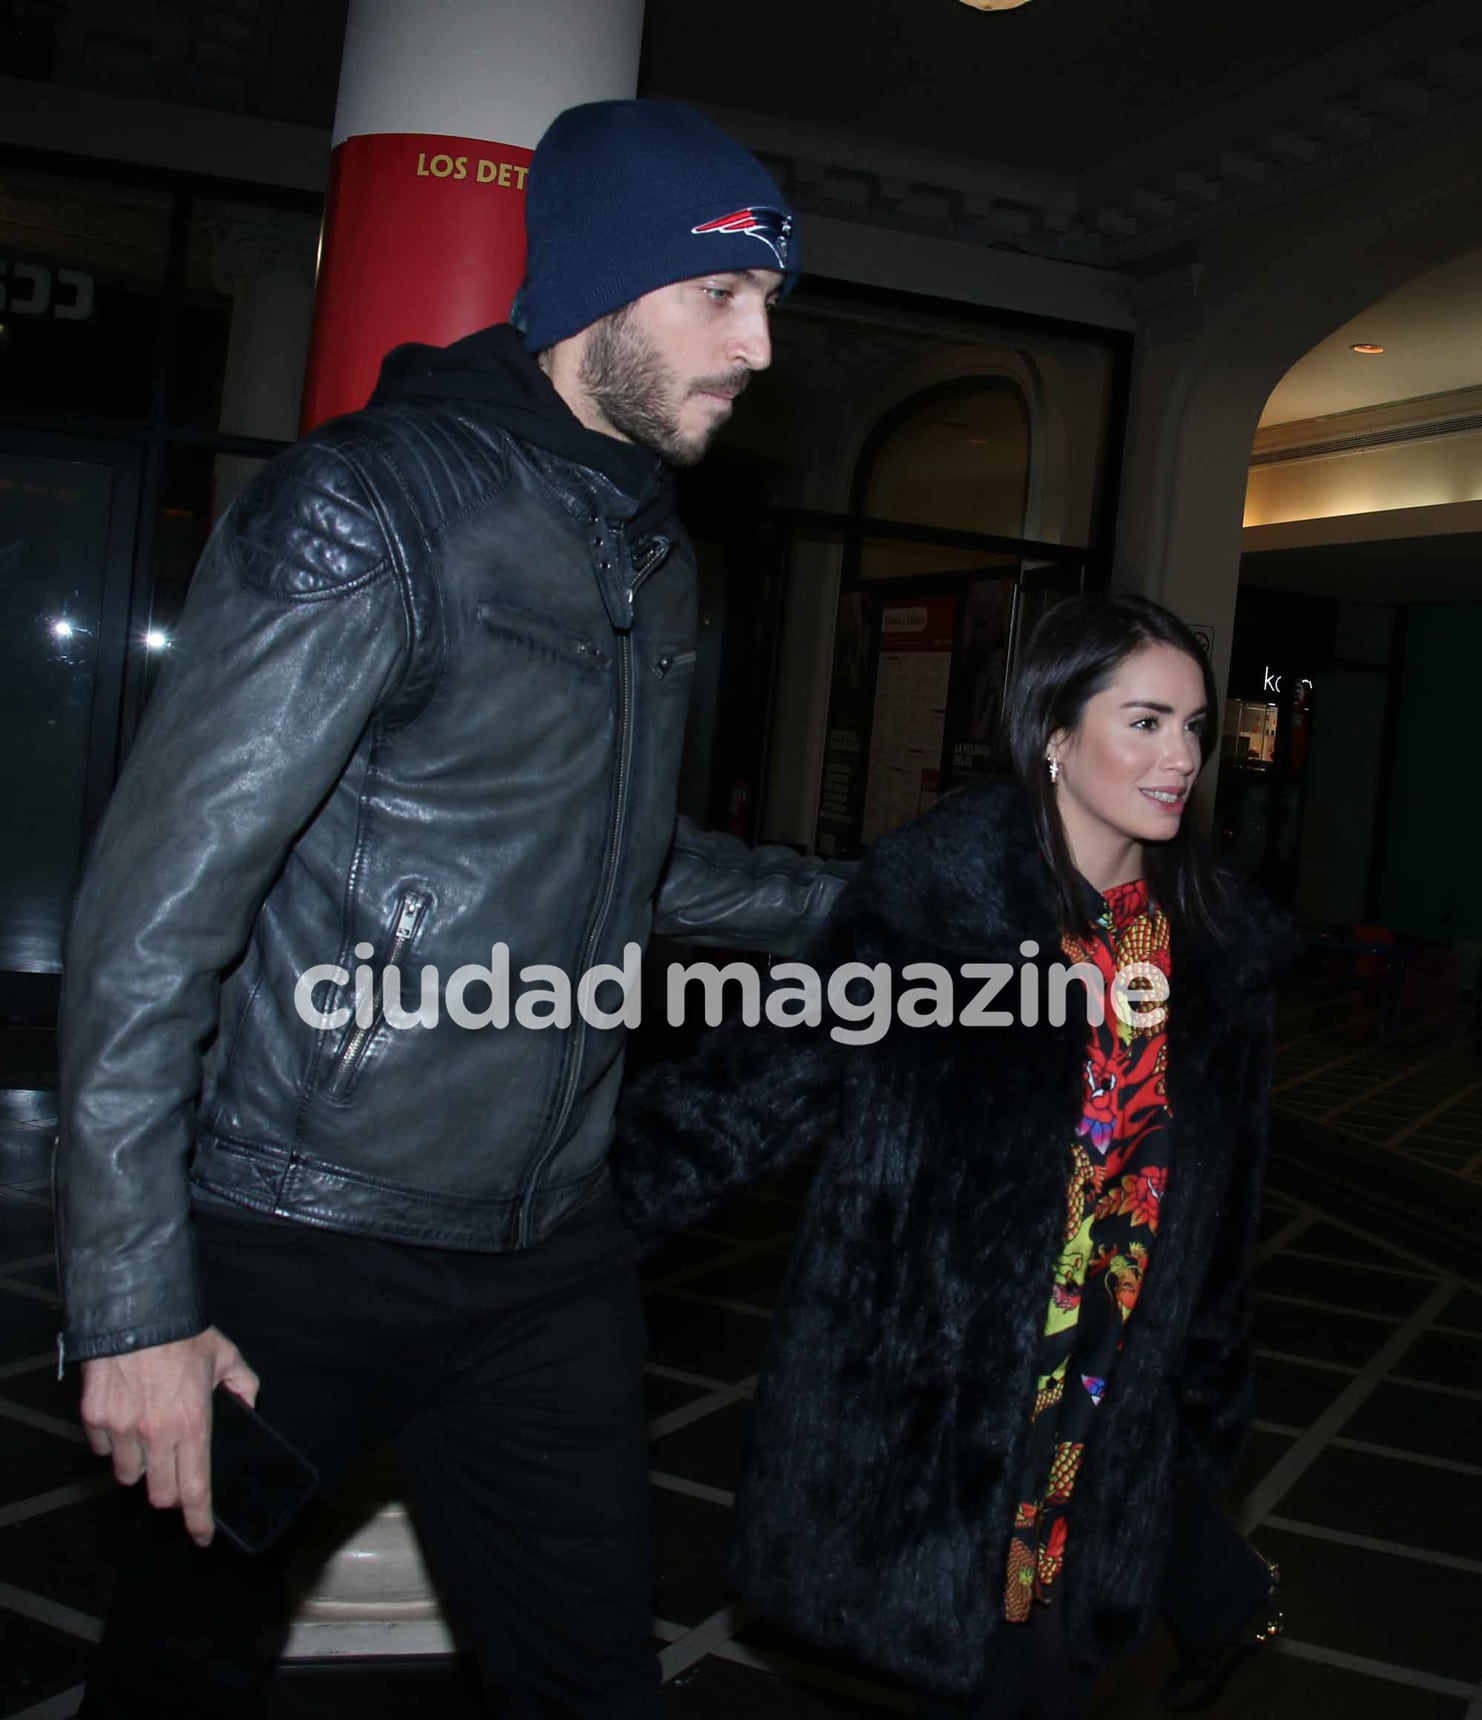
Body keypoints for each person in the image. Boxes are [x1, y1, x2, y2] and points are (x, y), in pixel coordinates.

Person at [56, 99, 847, 1719]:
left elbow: (628, 858)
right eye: (721, 295)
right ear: (599, 293)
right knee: (178, 1680)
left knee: (590, 1682)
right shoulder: (372, 509)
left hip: (546, 1250)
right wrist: (134, 1301)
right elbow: (154, 916)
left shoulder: (645, 552)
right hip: (302, 1236)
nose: (758, 343)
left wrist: (886, 907)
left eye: (769, 300)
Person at [613, 593, 1289, 1718]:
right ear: (1056, 738)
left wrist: (1209, 1402)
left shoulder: (1216, 957)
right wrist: (543, 1225)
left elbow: (1225, 1216)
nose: (1181, 757)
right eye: (1146, 722)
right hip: (945, 1415)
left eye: (1195, 727)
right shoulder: (939, 917)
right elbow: (748, 1093)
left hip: (1108, 1417)